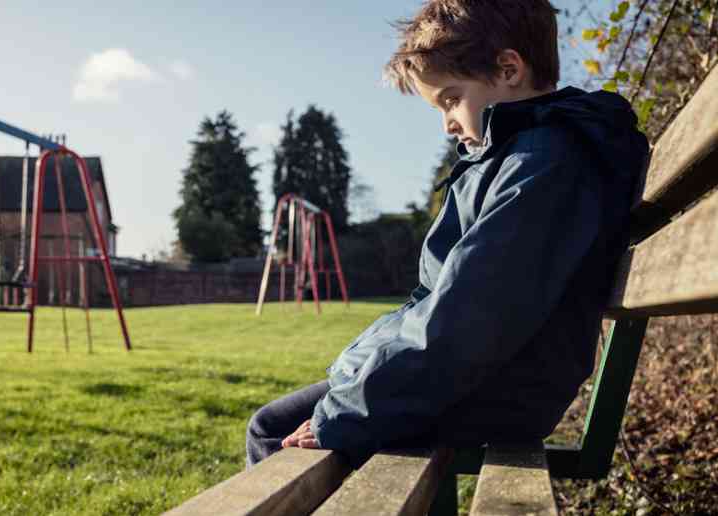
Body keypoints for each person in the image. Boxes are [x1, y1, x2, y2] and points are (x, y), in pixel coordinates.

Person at [246, 0, 650, 468]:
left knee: (276, 431)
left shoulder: (544, 163)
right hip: (477, 378)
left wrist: (345, 413)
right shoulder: (514, 158)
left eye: (451, 98)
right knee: (283, 421)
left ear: (508, 68)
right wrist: (357, 378)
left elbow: (472, 316)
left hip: (495, 389)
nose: (447, 123)